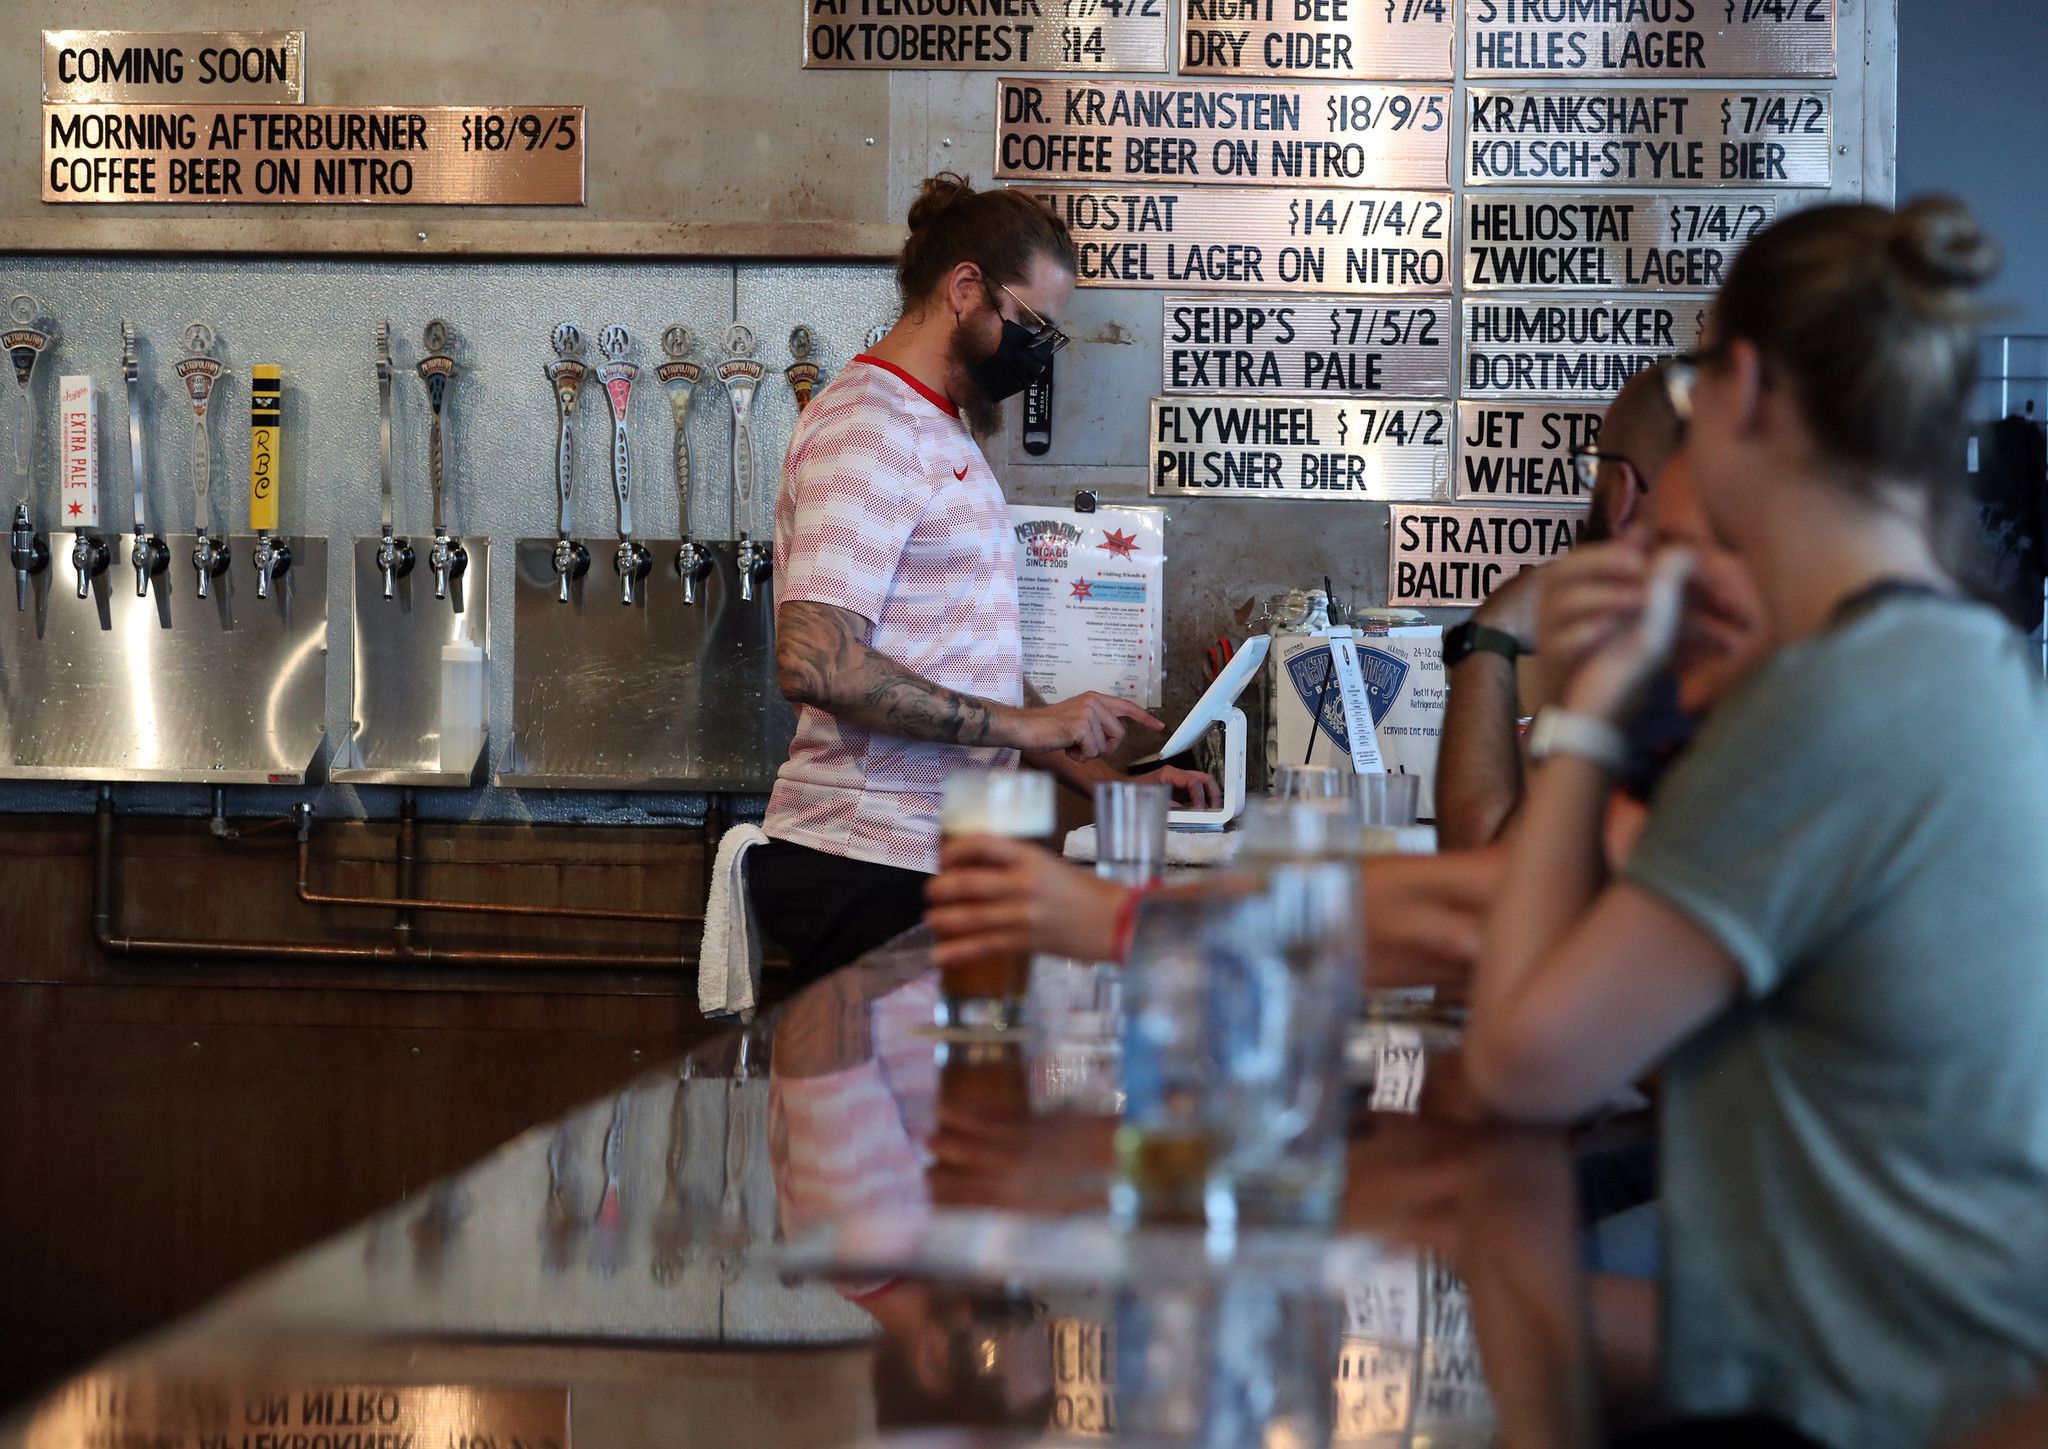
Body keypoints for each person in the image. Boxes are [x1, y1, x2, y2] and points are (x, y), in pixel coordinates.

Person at [1461, 197, 2048, 1448]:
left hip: (1864, 1412)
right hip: (1895, 1363)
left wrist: (1585, 711)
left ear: (1737, 390)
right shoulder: (1957, 662)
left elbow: (1520, 1059)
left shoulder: (1834, 703)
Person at [752, 173, 1215, 983]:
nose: (1038, 353)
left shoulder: (941, 431)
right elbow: (815, 660)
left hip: (941, 862)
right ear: (966, 289)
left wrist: (1112, 787)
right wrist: (1031, 727)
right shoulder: (869, 425)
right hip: (867, 865)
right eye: (1032, 324)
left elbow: (971, 681)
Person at [1436, 366, 1692, 850]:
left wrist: (1488, 637)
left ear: (1621, 492)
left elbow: (1486, 874)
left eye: (1595, 470)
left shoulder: (1656, 672)